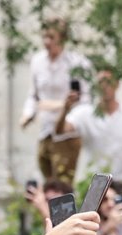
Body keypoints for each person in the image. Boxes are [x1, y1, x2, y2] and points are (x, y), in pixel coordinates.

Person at [58, 68, 122, 187]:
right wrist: (65, 109)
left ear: (117, 84)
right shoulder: (84, 113)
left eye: (109, 82)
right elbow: (60, 131)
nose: (105, 86)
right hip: (93, 182)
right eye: (101, 82)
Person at [20, 21, 84, 187]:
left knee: (63, 184)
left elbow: (84, 100)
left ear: (62, 39)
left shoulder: (76, 63)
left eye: (51, 37)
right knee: (49, 184)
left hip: (66, 134)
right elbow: (33, 95)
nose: (47, 42)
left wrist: (58, 106)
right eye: (44, 37)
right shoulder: (37, 61)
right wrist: (27, 114)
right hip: (45, 131)